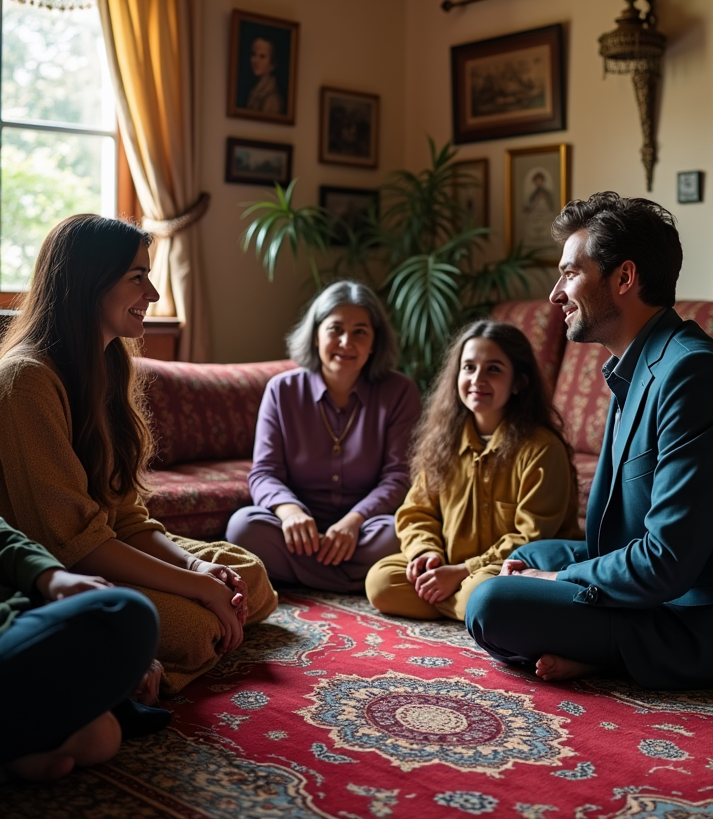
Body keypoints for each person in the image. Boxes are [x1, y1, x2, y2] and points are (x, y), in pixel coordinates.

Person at [465, 192, 713, 689]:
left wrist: (558, 583)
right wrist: (552, 572)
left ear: (624, 278)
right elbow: (616, 540)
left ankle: (610, 653)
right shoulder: (638, 365)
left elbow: (668, 562)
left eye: (570, 273)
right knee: (531, 557)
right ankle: (597, 649)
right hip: (657, 588)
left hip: (699, 616)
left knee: (492, 602)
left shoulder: (694, 376)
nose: (555, 294)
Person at [0, 215, 278, 696]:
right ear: (88, 282)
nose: (151, 295)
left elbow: (126, 515)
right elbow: (73, 545)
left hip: (106, 549)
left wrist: (198, 572)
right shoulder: (25, 381)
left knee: (247, 575)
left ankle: (138, 656)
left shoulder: (107, 364)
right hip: (56, 574)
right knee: (192, 627)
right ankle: (126, 671)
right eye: (138, 278)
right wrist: (199, 591)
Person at [365, 321, 581, 622]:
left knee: (482, 592)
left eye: (493, 369)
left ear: (518, 382)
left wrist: (463, 572)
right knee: (381, 581)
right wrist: (426, 555)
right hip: (450, 564)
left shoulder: (541, 449)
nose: (477, 379)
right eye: (468, 368)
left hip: (509, 568)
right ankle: (471, 609)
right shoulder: (444, 441)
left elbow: (531, 540)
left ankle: (473, 604)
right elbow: (416, 511)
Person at [226, 281, 420, 592]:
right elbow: (264, 472)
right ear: (316, 335)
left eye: (360, 332)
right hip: (298, 532)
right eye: (335, 329)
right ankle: (354, 580)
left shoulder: (399, 392)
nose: (346, 342)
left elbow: (398, 477)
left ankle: (297, 577)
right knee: (243, 527)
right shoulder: (282, 390)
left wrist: (354, 520)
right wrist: (290, 513)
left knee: (399, 533)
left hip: (365, 527)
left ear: (374, 343)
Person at [0, 516, 164, 781]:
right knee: (128, 611)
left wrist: (53, 578)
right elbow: (80, 545)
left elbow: (6, 540)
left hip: (20, 617)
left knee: (101, 738)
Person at [246, 36, 284, 115]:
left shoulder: (272, 98)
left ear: (272, 64)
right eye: (253, 54)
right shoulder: (255, 91)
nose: (256, 61)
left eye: (262, 56)